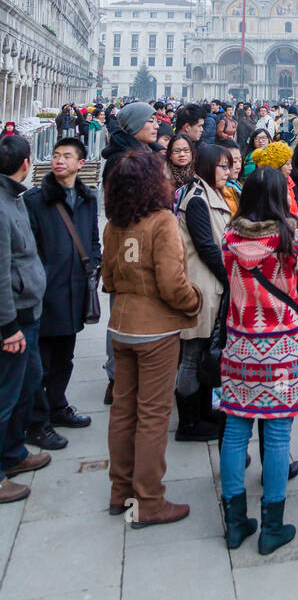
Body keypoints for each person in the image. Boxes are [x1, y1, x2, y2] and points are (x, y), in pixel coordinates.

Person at [102, 148, 202, 528]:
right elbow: (173, 284)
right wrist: (195, 301)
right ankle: (148, 501)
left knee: (123, 410)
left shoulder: (114, 223)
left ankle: (120, 492)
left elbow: (108, 279)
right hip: (156, 330)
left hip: (121, 326)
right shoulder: (162, 221)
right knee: (153, 414)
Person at [219, 166, 298, 555]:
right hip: (282, 349)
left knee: (235, 430)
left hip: (241, 345)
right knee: (277, 435)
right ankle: (272, 526)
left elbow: (228, 277)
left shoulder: (229, 237)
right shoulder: (293, 238)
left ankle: (236, 523)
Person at [23, 138, 100, 448]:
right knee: (39, 362)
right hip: (45, 291)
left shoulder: (87, 197)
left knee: (65, 357)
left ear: (80, 163)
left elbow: (93, 238)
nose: (59, 161)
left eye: (67, 156)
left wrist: (93, 262)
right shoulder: (36, 200)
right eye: (56, 156)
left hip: (74, 289)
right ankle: (36, 423)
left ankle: (57, 406)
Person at [0, 135, 50, 504]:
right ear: (26, 163)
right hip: (12, 317)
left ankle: (14, 453)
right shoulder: (2, 207)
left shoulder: (14, 197)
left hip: (27, 308)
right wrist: (7, 326)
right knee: (5, 395)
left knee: (26, 383)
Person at [174, 143, 233, 442]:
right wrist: (230, 276)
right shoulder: (198, 199)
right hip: (201, 285)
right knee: (192, 354)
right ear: (209, 166)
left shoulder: (210, 194)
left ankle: (202, 411)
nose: (228, 171)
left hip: (210, 284)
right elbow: (207, 247)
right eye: (223, 166)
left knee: (204, 352)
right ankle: (188, 423)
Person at [101, 102, 161, 188]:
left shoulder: (148, 153)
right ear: (134, 124)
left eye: (156, 121)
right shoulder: (121, 161)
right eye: (151, 121)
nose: (157, 126)